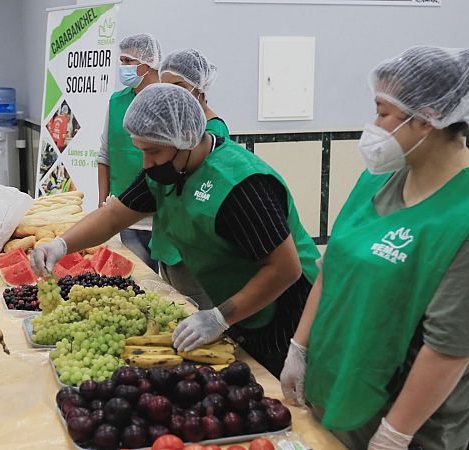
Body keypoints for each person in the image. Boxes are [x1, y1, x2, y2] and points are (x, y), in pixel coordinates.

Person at [279, 46, 469, 450]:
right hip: (342, 389)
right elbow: (333, 266)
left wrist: (395, 433)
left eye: (382, 112)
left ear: (427, 118)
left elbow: (449, 348)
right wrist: (299, 348)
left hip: (411, 420)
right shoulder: (379, 182)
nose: (373, 125)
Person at [34, 84, 320, 377]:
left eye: (153, 151)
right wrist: (61, 245)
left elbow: (286, 269)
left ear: (186, 139)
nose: (146, 163)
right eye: (141, 151)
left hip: (288, 309)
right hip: (242, 304)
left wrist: (219, 318)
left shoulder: (242, 185)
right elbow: (113, 216)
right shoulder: (166, 172)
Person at [154, 48, 230, 309]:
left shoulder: (213, 132)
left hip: (192, 251)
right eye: (165, 87)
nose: (171, 95)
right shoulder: (175, 129)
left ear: (199, 87)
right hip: (169, 242)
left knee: (194, 312)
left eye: (180, 86)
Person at [97, 33, 162, 272]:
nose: (121, 67)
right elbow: (104, 156)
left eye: (126, 61)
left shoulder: (168, 102)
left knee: (166, 289)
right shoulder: (116, 102)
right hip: (122, 215)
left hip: (162, 219)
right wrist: (103, 204)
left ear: (146, 64)